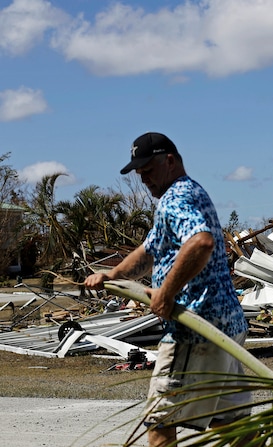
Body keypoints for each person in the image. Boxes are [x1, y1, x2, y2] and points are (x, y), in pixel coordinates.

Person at [85, 131, 249, 447]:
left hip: (194, 330)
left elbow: (201, 242)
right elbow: (150, 250)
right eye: (139, 173)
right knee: (232, 423)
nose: (143, 179)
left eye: (148, 170)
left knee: (160, 422)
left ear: (170, 161)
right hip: (228, 326)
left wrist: (166, 292)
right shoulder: (190, 194)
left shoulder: (177, 198)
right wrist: (113, 274)